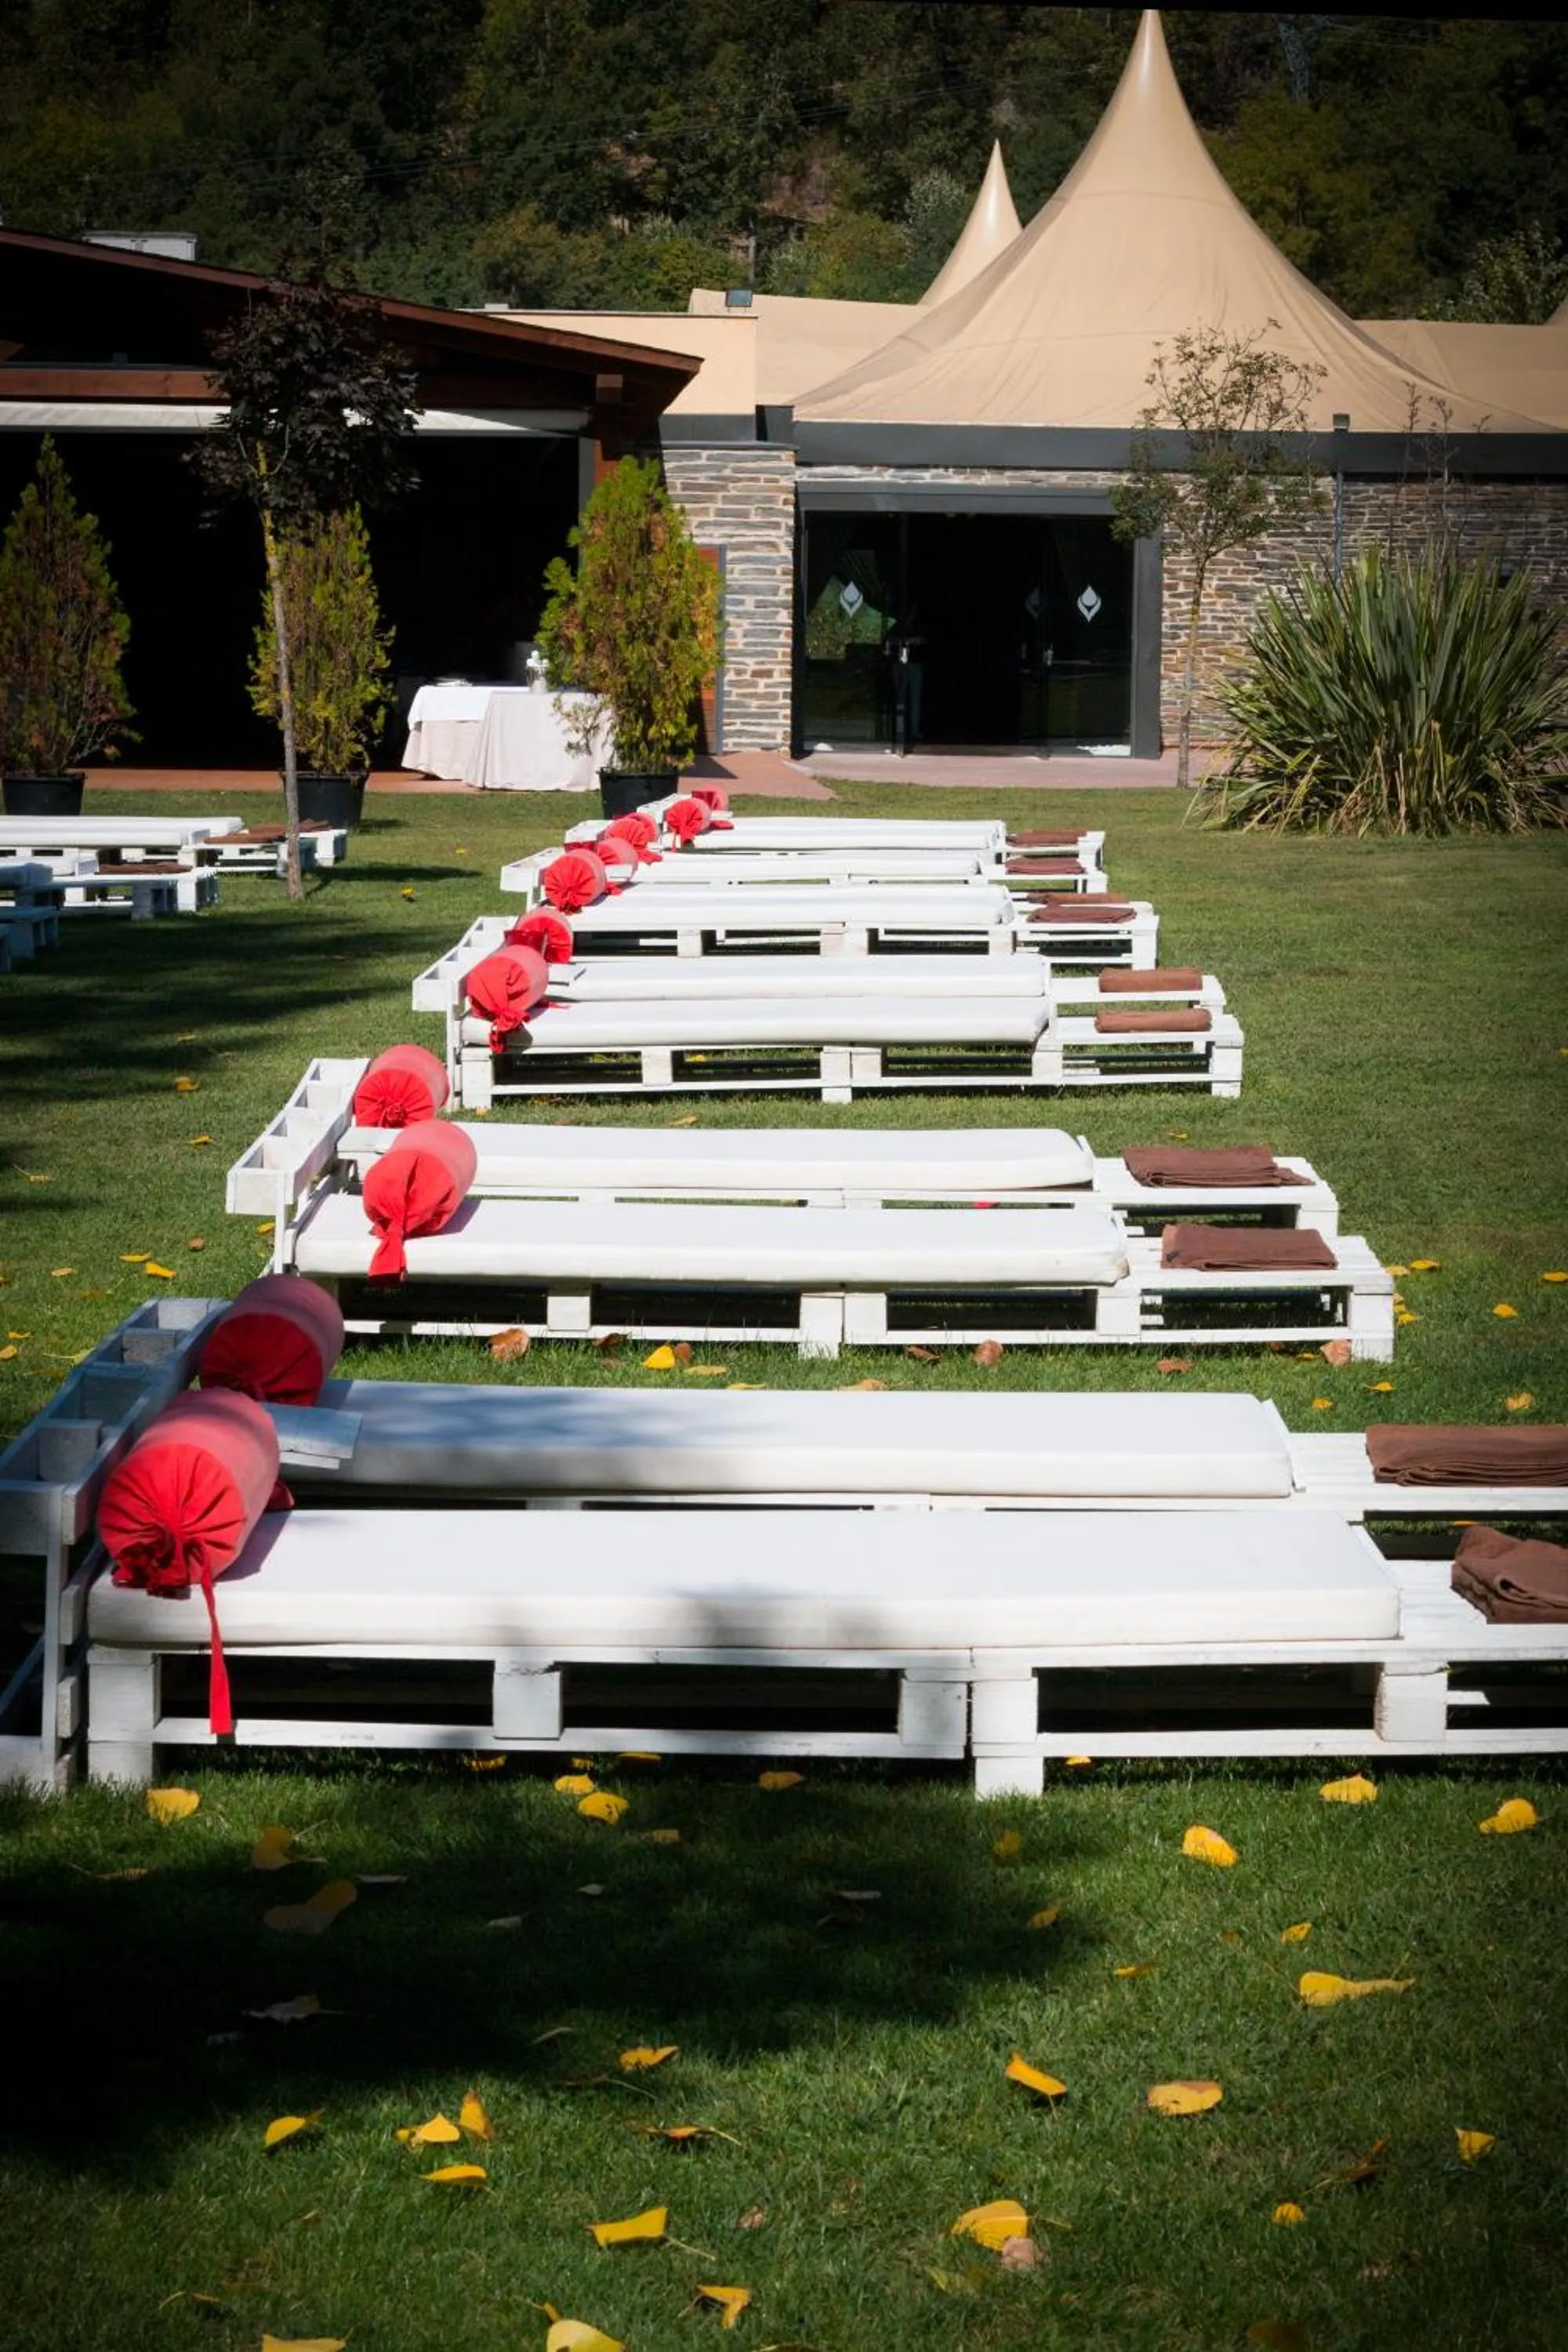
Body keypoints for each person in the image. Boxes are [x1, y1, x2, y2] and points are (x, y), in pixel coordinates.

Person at [888, 604, 926, 753]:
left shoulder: (918, 627)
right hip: (900, 666)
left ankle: (914, 731)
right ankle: (899, 731)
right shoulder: (896, 627)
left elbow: (922, 640)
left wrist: (907, 641)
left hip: (915, 665)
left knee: (915, 701)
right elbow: (890, 640)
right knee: (900, 700)